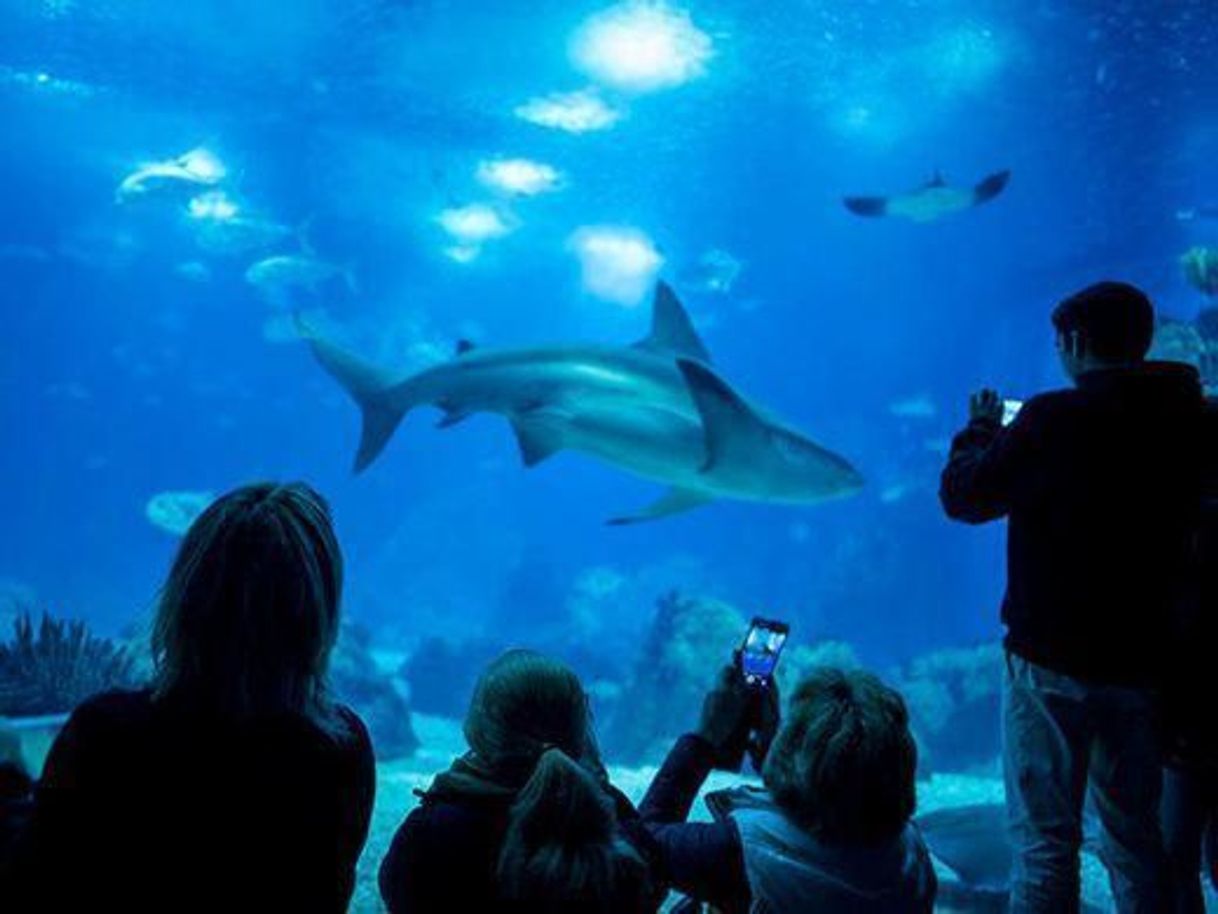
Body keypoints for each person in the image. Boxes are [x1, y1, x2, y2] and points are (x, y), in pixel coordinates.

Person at [940, 281, 1208, 914]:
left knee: (1043, 841)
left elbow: (965, 496)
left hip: (1048, 664)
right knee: (1135, 836)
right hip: (1144, 665)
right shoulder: (1189, 419)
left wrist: (978, 430)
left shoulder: (1051, 418)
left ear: (1076, 342)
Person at [2, 482, 375, 914]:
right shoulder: (342, 748)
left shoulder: (108, 732)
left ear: (185, 594)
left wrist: (9, 776)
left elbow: (31, 885)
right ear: (318, 613)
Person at [378, 649, 660, 914]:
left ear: (480, 729)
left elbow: (398, 895)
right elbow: (653, 876)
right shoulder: (612, 815)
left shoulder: (433, 829)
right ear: (580, 727)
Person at [639, 664, 936, 913]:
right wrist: (776, 757)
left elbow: (639, 845)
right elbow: (840, 798)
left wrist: (703, 739)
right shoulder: (911, 852)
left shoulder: (742, 850)